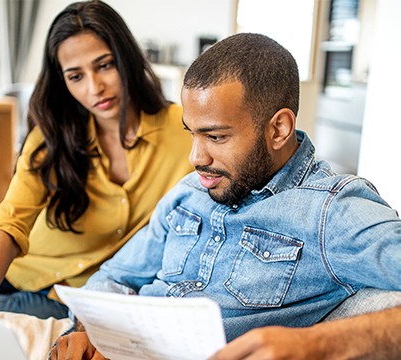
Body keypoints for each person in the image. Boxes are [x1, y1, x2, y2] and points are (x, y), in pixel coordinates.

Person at [49, 33, 401, 359]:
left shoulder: (329, 211)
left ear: (278, 129)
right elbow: (114, 277)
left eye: (215, 137)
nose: (195, 158)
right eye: (192, 134)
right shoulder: (189, 193)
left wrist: (317, 343)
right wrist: (86, 330)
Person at [0, 0, 193, 319]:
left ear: (127, 58)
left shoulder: (184, 129)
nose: (95, 87)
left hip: (68, 296)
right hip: (13, 265)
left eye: (105, 65)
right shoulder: (52, 135)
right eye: (76, 76)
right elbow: (9, 222)